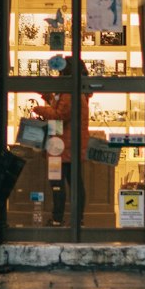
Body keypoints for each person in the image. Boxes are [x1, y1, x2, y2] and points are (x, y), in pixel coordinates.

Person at [35, 59, 91, 226]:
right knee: (74, 183)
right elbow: (61, 111)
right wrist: (49, 98)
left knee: (58, 183)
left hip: (62, 147)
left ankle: (58, 218)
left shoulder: (69, 91)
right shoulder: (76, 91)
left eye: (60, 70)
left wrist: (39, 109)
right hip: (67, 146)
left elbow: (60, 115)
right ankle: (76, 219)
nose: (58, 74)